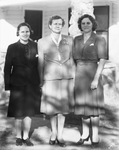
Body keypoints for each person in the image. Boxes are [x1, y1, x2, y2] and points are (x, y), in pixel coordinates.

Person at [38, 15, 74, 147]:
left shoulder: (69, 39)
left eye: (60, 24)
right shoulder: (42, 41)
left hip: (66, 78)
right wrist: (41, 80)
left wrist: (73, 78)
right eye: (55, 24)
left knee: (63, 109)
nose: (58, 26)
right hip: (50, 78)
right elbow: (40, 62)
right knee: (52, 108)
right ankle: (53, 133)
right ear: (50, 25)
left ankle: (60, 135)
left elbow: (72, 60)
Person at [4, 22, 41, 146]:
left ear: (30, 32)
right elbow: (7, 67)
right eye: (22, 31)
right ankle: (18, 136)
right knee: (18, 112)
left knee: (29, 112)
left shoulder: (36, 46)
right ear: (18, 33)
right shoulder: (12, 47)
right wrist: (7, 85)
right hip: (17, 84)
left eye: (27, 31)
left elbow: (40, 65)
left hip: (32, 84)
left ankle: (26, 136)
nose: (25, 33)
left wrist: (40, 82)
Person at [73, 14, 108, 145]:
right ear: (80, 25)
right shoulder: (76, 39)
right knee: (83, 108)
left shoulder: (99, 39)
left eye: (88, 23)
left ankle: (95, 136)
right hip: (79, 75)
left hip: (93, 74)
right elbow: (73, 60)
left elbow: (103, 60)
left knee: (94, 108)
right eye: (83, 23)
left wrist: (95, 79)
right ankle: (85, 134)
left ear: (93, 24)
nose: (86, 25)